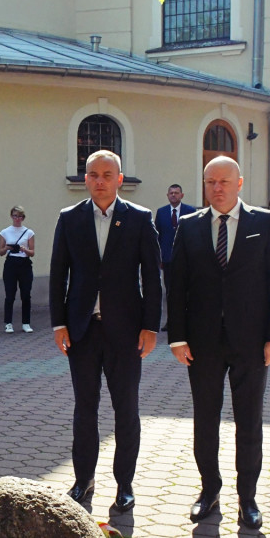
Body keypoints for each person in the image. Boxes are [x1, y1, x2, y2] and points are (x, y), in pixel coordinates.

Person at [166, 155, 270, 530]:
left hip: (252, 342)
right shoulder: (188, 226)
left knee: (249, 421)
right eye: (209, 182)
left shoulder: (265, 223)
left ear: (239, 183)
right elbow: (177, 286)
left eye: (223, 181)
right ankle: (209, 491)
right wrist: (177, 336)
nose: (216, 188)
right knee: (205, 420)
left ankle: (247, 498)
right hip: (202, 343)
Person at [50, 149, 161, 512]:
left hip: (126, 333)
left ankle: (125, 484)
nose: (100, 181)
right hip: (82, 331)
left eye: (107, 175)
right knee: (85, 409)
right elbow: (57, 275)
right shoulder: (69, 219)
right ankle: (84, 480)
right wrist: (59, 322)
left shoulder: (140, 219)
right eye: (93, 175)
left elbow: (152, 278)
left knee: (126, 410)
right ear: (85, 179)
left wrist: (150, 327)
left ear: (119, 178)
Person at [155, 184, 196, 330]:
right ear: (167, 195)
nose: (173, 195)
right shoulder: (161, 212)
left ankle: (187, 320)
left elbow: (194, 236)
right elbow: (157, 236)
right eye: (171, 193)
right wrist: (158, 257)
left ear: (182, 195)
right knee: (171, 292)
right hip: (168, 260)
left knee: (186, 290)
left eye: (176, 193)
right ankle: (171, 321)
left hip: (186, 259)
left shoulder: (190, 211)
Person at [0, 205, 35, 333]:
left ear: (23, 218)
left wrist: (23, 249)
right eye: (15, 216)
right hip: (11, 264)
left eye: (19, 216)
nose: (17, 219)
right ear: (11, 217)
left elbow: (32, 252)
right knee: (10, 295)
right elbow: (1, 252)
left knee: (26, 295)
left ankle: (26, 323)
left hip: (24, 263)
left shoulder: (29, 232)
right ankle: (8, 323)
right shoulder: (5, 232)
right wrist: (9, 247)